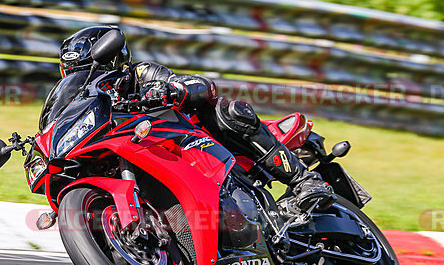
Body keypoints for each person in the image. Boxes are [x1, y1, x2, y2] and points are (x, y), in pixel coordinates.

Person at [56, 24, 334, 212]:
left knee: (228, 111)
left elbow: (201, 87)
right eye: (74, 72)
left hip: (195, 141)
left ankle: (305, 180)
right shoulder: (89, 106)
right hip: (147, 155)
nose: (82, 77)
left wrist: (174, 89)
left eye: (86, 69)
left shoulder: (141, 75)